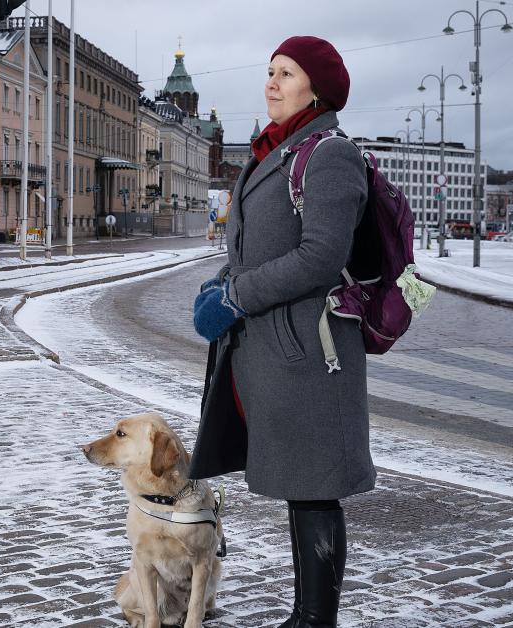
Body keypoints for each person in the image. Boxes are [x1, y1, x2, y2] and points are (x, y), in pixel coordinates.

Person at [188, 36, 374, 627]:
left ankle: (316, 620)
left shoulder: (328, 154)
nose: (271, 82)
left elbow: (322, 256)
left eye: (286, 73)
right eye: (270, 71)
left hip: (311, 352)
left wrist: (237, 296)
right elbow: (255, 245)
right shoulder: (274, 149)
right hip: (272, 350)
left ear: (315, 88)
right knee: (300, 482)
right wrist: (220, 281)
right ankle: (304, 617)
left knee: (316, 485)